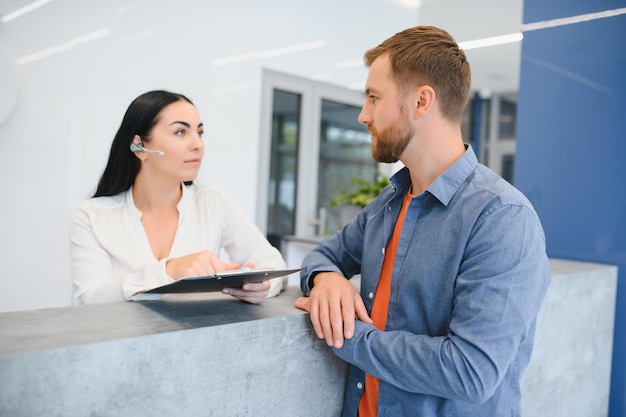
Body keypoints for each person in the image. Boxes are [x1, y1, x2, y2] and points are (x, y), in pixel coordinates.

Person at [295, 26, 551, 416]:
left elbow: (470, 372)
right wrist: (326, 279)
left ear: (421, 101)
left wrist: (347, 337)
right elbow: (324, 255)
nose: (364, 115)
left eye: (374, 97)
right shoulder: (390, 202)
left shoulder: (501, 217)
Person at [70, 90, 287, 305]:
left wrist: (262, 286)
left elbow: (273, 263)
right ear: (139, 146)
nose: (198, 145)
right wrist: (168, 270)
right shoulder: (91, 216)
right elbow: (90, 298)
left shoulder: (213, 201)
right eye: (181, 132)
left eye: (199, 132)